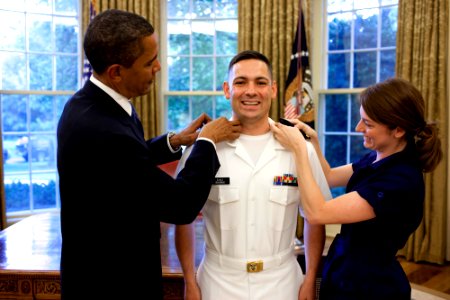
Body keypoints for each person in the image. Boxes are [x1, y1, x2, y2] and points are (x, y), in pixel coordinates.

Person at [57, 9, 241, 300]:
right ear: (116, 71)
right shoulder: (101, 129)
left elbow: (124, 163)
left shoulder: (91, 103)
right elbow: (181, 205)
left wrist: (173, 141)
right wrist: (207, 141)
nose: (158, 67)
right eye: (149, 62)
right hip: (112, 283)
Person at [174, 50, 332, 300]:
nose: (251, 91)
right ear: (227, 89)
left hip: (282, 281)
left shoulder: (299, 148)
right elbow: (183, 218)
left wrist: (311, 276)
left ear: (273, 89)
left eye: (260, 83)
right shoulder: (202, 149)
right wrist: (189, 281)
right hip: (218, 281)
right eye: (240, 82)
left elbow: (315, 218)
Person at [271, 77, 443, 300]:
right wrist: (312, 142)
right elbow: (329, 176)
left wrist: (298, 151)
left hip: (369, 285)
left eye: (368, 124)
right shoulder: (379, 157)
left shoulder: (400, 181)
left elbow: (317, 213)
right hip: (345, 268)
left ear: (398, 130)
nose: (358, 128)